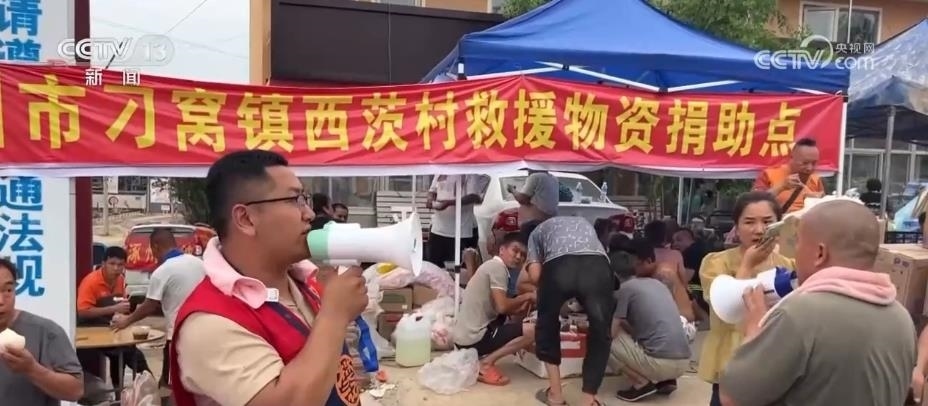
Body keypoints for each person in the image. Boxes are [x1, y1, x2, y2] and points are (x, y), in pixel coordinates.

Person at [170, 150, 367, 406]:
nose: (309, 214)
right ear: (246, 219)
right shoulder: (209, 323)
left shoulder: (303, 282)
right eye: (294, 200)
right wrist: (335, 315)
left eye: (305, 199)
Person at [720, 199, 915, 406]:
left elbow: (733, 398)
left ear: (820, 253)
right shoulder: (901, 318)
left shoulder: (799, 314)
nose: (795, 252)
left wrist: (754, 331)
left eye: (798, 243)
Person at [698, 191, 794, 406]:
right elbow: (725, 307)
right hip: (730, 361)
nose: (759, 230)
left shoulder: (788, 265)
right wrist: (747, 265)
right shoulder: (716, 263)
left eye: (767, 222)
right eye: (749, 222)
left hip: (774, 363)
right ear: (737, 227)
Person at [523, 216, 615, 406]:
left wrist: (549, 292)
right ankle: (588, 400)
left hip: (559, 268)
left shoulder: (535, 234)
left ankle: (555, 395)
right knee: (600, 330)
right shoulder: (583, 222)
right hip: (598, 268)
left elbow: (535, 276)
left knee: (547, 325)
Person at [112, 228, 206, 387]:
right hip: (205, 332)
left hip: (178, 336)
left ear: (155, 246)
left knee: (170, 384)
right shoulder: (199, 264)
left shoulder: (163, 271)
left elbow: (150, 305)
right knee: (197, 382)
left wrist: (126, 320)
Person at [610, 239, 691, 402]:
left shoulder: (625, 289)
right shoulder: (657, 284)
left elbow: (612, 332)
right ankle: (667, 381)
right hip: (684, 362)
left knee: (603, 338)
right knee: (649, 334)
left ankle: (640, 383)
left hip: (660, 364)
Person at [454, 232, 536, 386]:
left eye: (523, 255)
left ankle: (483, 358)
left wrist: (522, 305)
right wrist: (527, 296)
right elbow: (502, 306)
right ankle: (485, 364)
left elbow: (501, 308)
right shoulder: (497, 268)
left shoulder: (490, 266)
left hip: (462, 339)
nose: (518, 257)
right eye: (515, 250)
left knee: (518, 324)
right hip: (473, 339)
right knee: (533, 331)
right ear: (502, 250)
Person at [0, 258, 84, 404]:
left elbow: (75, 390)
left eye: (8, 290)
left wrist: (32, 369)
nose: (1, 301)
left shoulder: (46, 332)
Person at [76, 246, 151, 386]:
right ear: (103, 263)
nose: (116, 268)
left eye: (120, 265)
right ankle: (123, 389)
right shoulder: (90, 282)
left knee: (130, 353)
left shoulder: (121, 280)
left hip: (109, 329)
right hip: (89, 331)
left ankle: (139, 386)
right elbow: (83, 311)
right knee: (122, 352)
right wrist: (113, 309)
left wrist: (120, 314)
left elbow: (121, 305)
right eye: (112, 264)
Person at [426, 174, 489, 267]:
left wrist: (449, 203)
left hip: (461, 232)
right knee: (434, 267)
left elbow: (474, 197)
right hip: (438, 230)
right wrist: (430, 199)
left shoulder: (469, 173)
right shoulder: (440, 170)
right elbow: (432, 190)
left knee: (459, 269)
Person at [753, 137, 826, 213]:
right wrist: (781, 187)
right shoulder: (769, 174)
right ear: (791, 158)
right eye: (805, 163)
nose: (809, 168)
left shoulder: (816, 179)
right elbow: (754, 203)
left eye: (814, 163)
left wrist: (818, 200)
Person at [643, 221, 695, 324]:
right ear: (665, 236)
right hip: (673, 301)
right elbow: (683, 280)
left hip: (650, 300)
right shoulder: (676, 255)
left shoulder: (644, 257)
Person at [510, 170, 559, 234]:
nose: (528, 171)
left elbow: (523, 199)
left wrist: (513, 190)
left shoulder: (535, 177)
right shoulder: (553, 179)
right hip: (548, 221)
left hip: (533, 223)